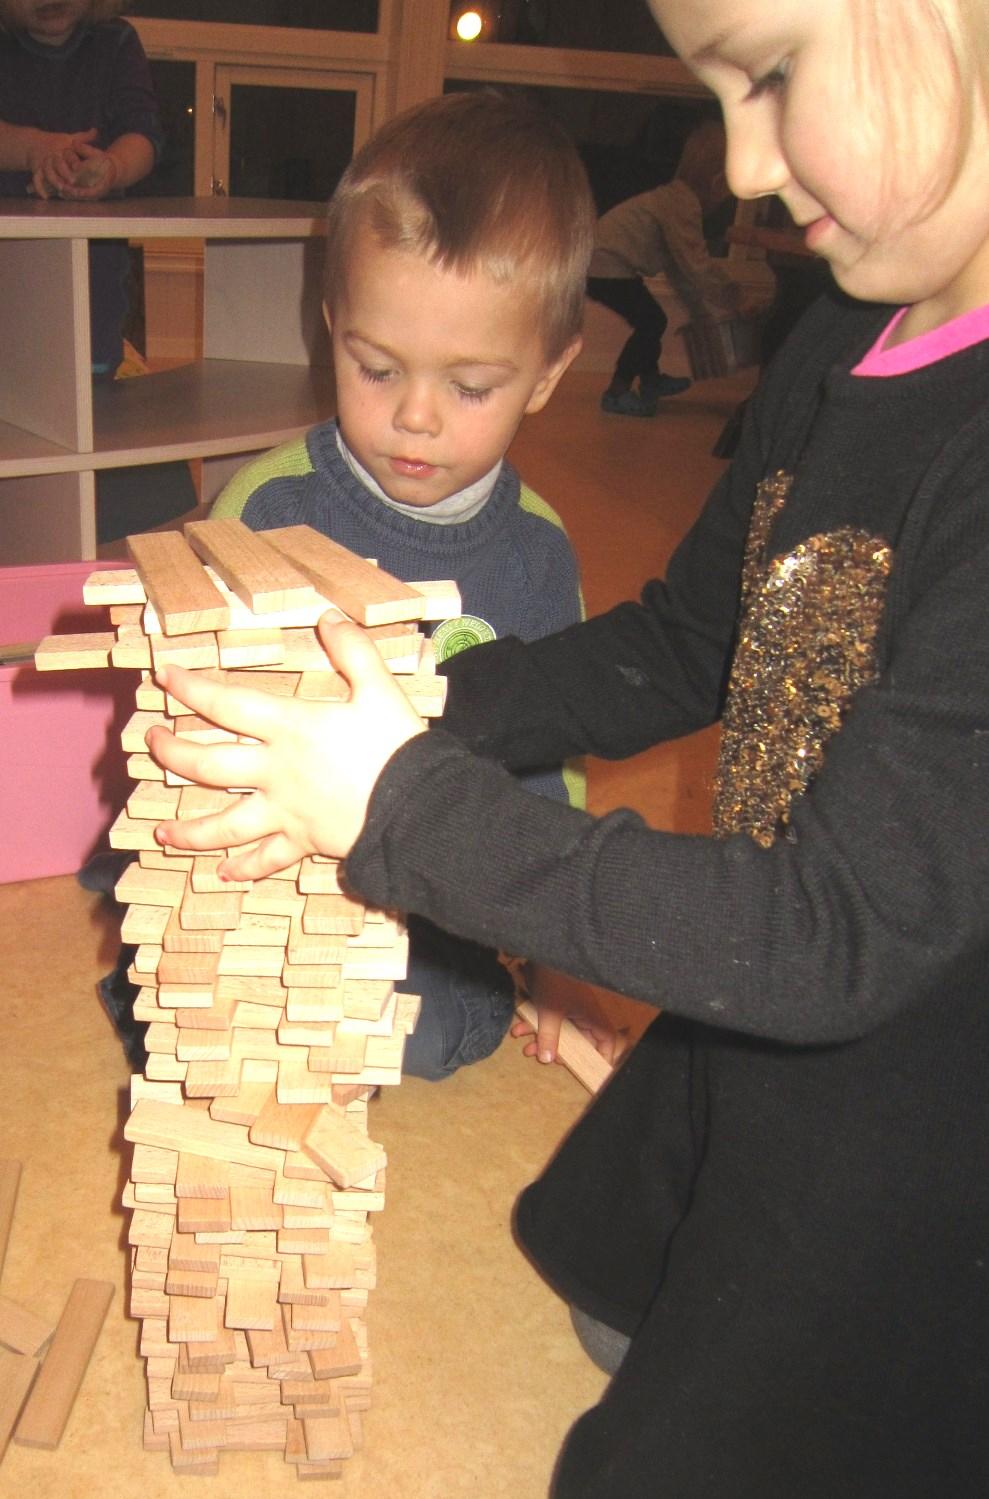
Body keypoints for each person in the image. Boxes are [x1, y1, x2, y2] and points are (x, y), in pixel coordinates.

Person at [143, 0, 989, 1492]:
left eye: (774, 75)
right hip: (778, 979)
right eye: (718, 92)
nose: (736, 165)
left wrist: (405, 806)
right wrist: (407, 721)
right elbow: (684, 639)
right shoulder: (845, 334)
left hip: (913, 1054)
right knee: (602, 1264)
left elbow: (838, 932)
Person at [126, 90, 593, 1081]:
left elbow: (551, 779)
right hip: (271, 859)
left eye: (470, 387)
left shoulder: (539, 554)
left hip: (429, 890)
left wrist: (559, 962)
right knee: (147, 929)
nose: (415, 417)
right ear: (329, 323)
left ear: (548, 373)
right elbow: (188, 710)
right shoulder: (263, 503)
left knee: (436, 1027)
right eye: (374, 366)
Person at [0, 0, 162, 376]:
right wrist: (34, 150)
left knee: (94, 389)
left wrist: (114, 166)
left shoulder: (115, 42)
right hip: (10, 276)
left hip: (93, 279)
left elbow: (144, 134)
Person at [587, 117, 754, 416]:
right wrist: (732, 297)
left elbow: (682, 270)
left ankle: (650, 380)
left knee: (650, 320)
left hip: (605, 265)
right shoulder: (682, 205)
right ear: (717, 182)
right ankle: (617, 391)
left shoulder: (675, 197)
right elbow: (696, 266)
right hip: (604, 266)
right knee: (652, 322)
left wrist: (701, 308)